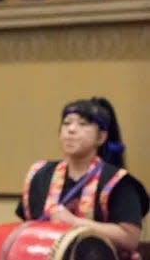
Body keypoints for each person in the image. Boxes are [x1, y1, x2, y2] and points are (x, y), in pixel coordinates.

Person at [17, 97, 149, 259]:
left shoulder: (118, 182)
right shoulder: (39, 175)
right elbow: (26, 228)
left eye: (83, 124)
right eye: (66, 123)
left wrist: (73, 221)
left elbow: (130, 238)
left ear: (101, 137)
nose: (71, 130)